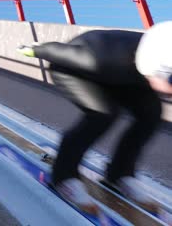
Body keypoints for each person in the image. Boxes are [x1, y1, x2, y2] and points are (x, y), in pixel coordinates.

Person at [18, 21, 172, 213]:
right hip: (75, 71)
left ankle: (119, 174)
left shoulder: (155, 64)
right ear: (155, 69)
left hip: (128, 77)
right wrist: (34, 49)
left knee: (151, 114)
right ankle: (64, 177)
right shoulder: (97, 58)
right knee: (103, 114)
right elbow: (57, 52)